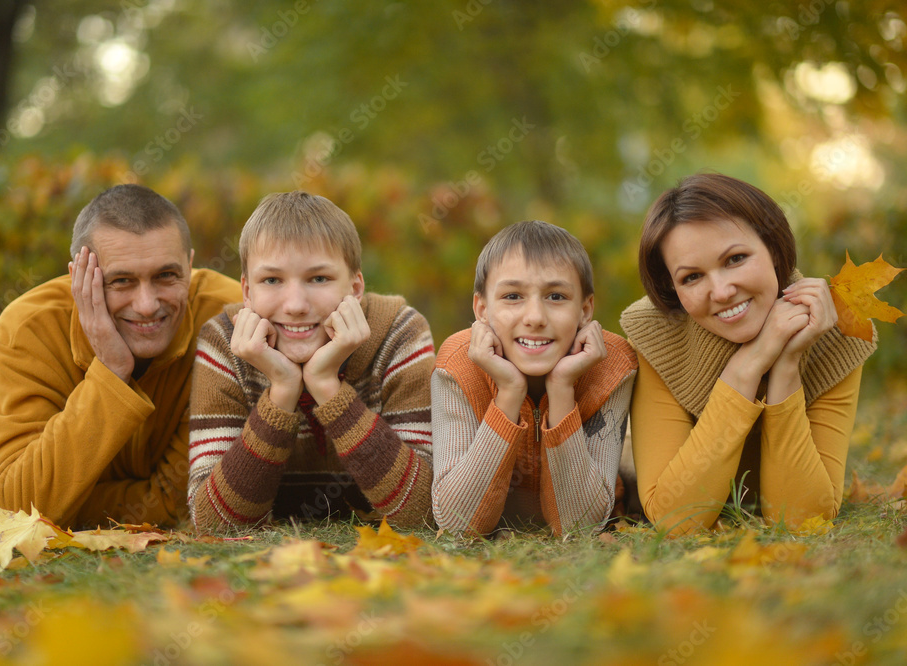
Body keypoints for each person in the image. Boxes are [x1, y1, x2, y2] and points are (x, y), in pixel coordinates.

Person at [0, 184, 243, 529]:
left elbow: (185, 502)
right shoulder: (27, 331)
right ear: (79, 279)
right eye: (122, 281)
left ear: (189, 267)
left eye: (166, 276)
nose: (147, 305)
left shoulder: (229, 319)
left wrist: (62, 504)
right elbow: (17, 507)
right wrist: (111, 372)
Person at [620, 173, 876, 536]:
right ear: (672, 290)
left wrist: (786, 365)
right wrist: (748, 366)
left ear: (772, 248)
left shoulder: (833, 331)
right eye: (692, 277)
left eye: (736, 258)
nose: (722, 291)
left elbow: (801, 521)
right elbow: (675, 520)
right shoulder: (657, 335)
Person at [187, 191, 434, 531]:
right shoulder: (224, 343)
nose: (296, 305)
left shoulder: (399, 333)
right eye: (272, 280)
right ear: (247, 292)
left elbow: (423, 513)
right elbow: (215, 526)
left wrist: (327, 387)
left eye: (319, 278)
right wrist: (283, 390)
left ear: (356, 287)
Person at [431, 220, 638, 536]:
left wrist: (562, 389)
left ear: (585, 310)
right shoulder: (458, 365)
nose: (535, 318)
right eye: (513, 296)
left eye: (556, 297)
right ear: (482, 309)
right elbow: (458, 524)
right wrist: (509, 392)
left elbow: (580, 527)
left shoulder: (611, 366)